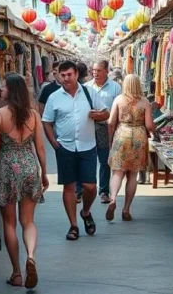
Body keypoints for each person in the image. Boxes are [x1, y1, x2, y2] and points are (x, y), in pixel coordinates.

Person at [0, 73, 48, 289]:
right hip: (29, 167)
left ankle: (17, 273)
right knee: (28, 222)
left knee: (9, 223)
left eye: (2, 86)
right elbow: (39, 147)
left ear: (10, 90)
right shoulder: (34, 114)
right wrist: (44, 173)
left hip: (6, 169)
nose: (0, 89)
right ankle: (31, 256)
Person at [42, 61, 106, 240]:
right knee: (69, 186)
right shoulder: (54, 97)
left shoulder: (89, 92)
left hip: (88, 146)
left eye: (69, 75)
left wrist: (98, 115)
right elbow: (46, 121)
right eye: (62, 75)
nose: (66, 78)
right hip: (65, 147)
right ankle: (73, 226)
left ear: (76, 74)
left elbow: (106, 113)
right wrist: (55, 144)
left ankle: (85, 212)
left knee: (90, 186)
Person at [106, 74, 154, 221]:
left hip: (122, 134)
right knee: (132, 174)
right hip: (139, 136)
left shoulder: (119, 100)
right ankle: (126, 209)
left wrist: (110, 140)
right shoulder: (144, 102)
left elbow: (110, 122)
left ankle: (113, 199)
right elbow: (149, 125)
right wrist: (155, 129)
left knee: (117, 172)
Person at [85, 60, 121, 203]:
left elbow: (119, 108)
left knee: (105, 160)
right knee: (86, 157)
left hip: (107, 127)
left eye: (99, 70)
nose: (95, 73)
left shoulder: (115, 87)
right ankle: (82, 189)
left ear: (107, 71)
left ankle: (104, 191)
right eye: (94, 70)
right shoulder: (86, 87)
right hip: (88, 126)